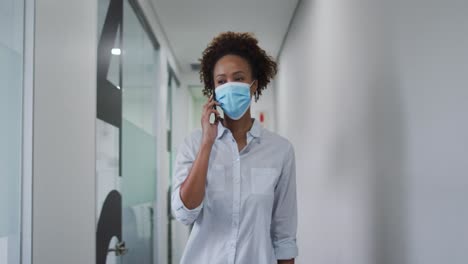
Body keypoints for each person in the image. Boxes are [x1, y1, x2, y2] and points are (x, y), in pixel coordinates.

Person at [171, 31, 298, 264]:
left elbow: (284, 234)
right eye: (221, 81)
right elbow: (184, 213)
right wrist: (207, 143)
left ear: (253, 86)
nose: (229, 86)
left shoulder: (280, 151)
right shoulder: (193, 144)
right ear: (213, 90)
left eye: (238, 78)